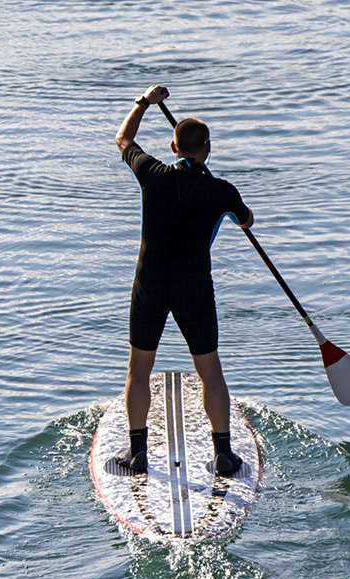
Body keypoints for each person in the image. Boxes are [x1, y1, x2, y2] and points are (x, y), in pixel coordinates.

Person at [112, 84, 254, 477]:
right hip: (194, 289)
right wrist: (228, 203)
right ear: (207, 149)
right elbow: (247, 220)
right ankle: (223, 454)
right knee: (210, 371)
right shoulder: (221, 191)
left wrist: (144, 102)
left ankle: (137, 453)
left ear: (173, 148)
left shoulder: (152, 174)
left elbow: (123, 138)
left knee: (138, 369)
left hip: (150, 285)